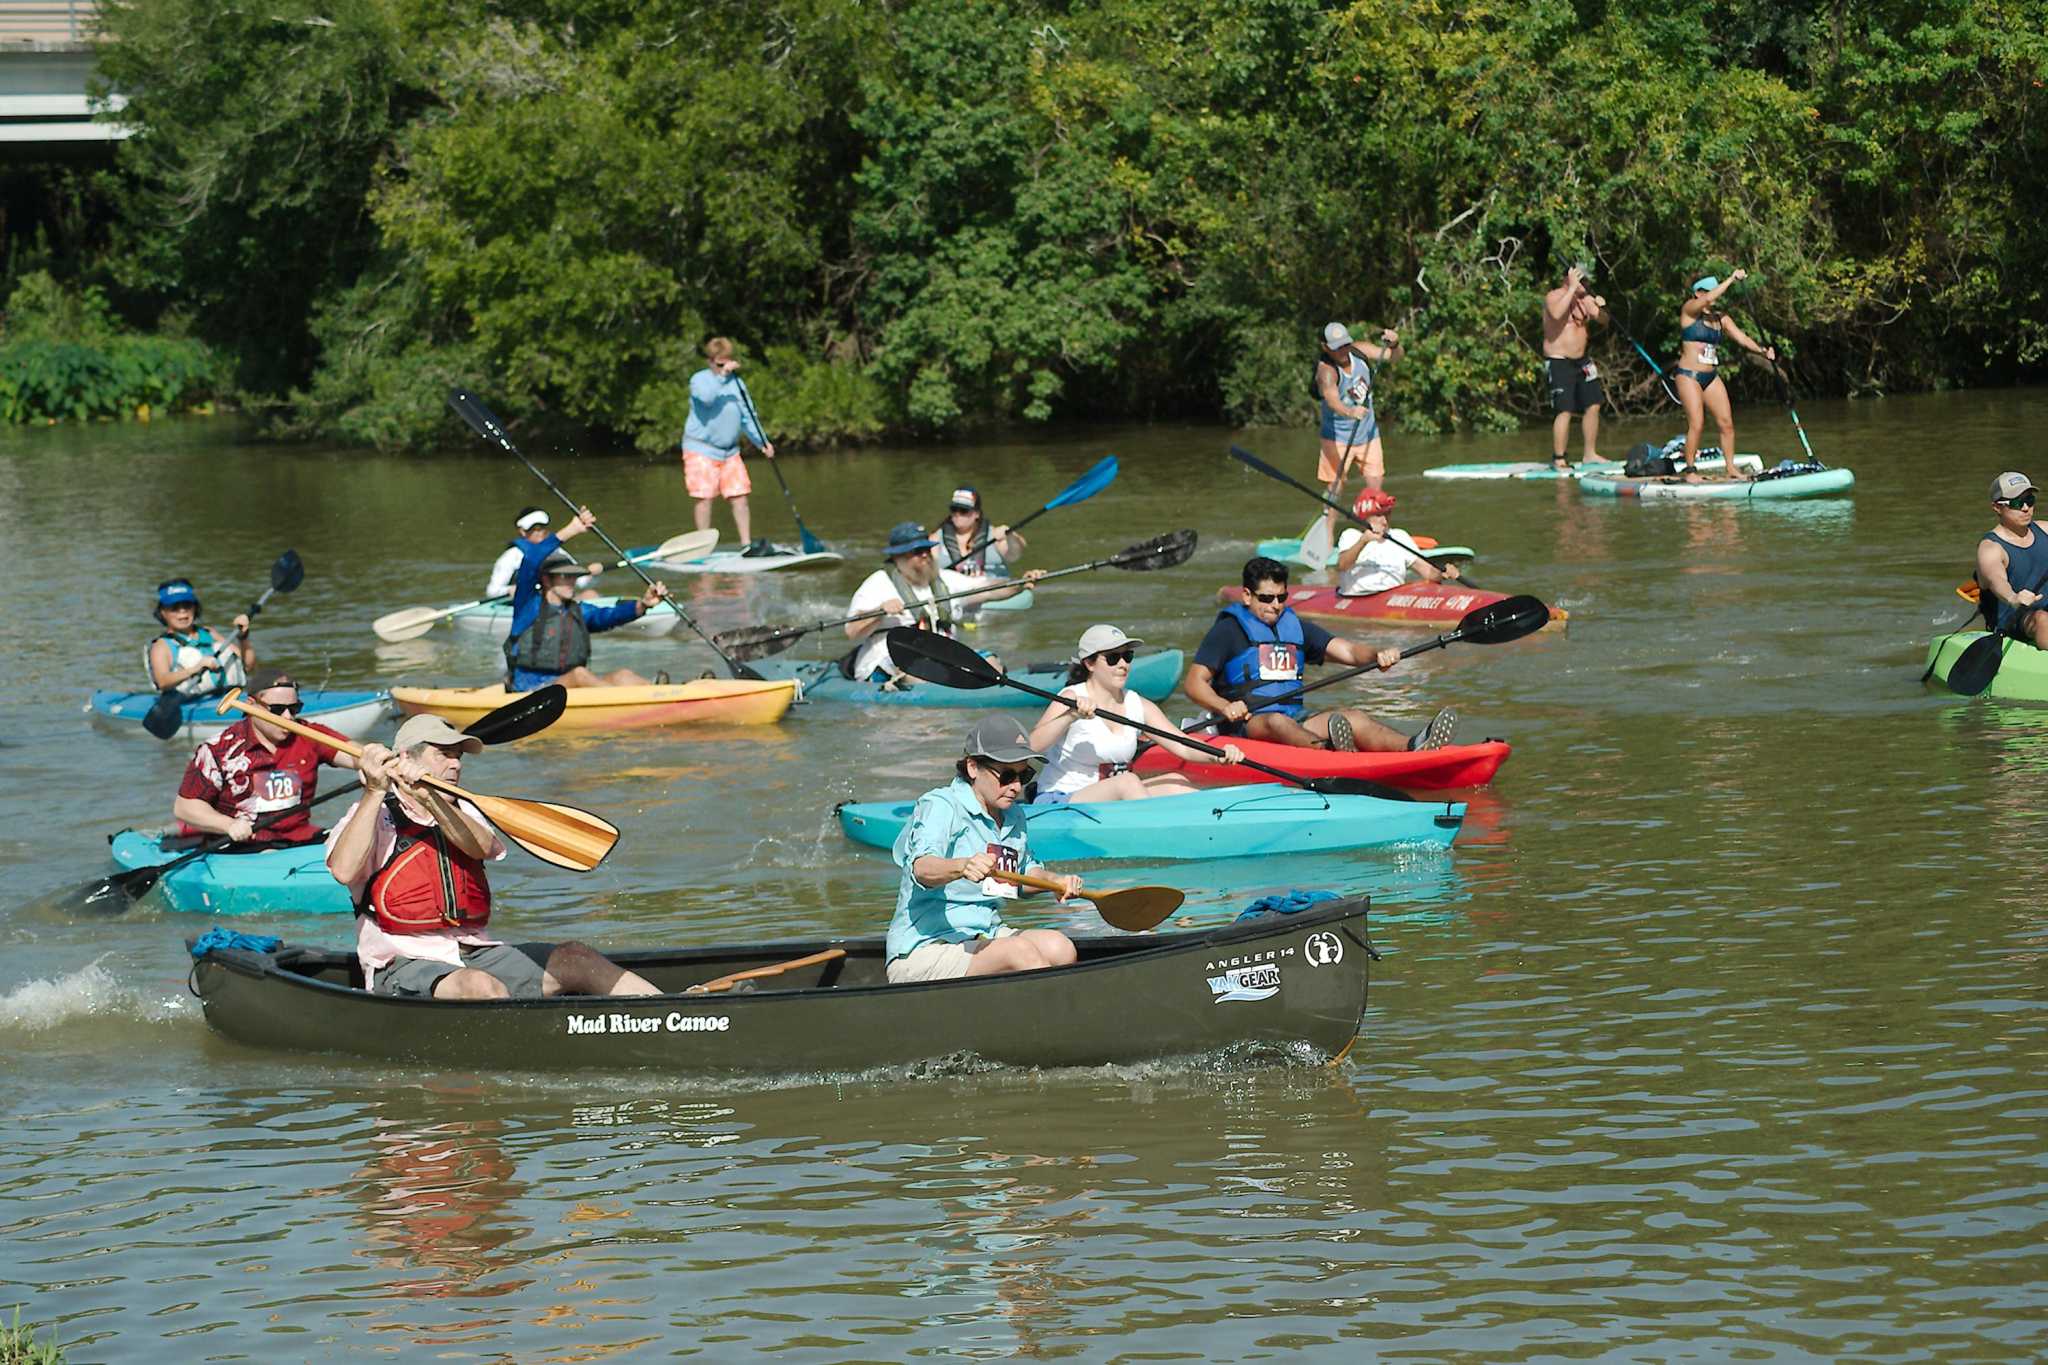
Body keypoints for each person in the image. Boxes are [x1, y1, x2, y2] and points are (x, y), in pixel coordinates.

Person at [326, 714, 661, 1000]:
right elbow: (343, 871)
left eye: (458, 755)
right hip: (402, 961)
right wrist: (373, 790)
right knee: (483, 987)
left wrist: (431, 801)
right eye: (443, 754)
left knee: (577, 957)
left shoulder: (464, 809)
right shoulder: (372, 815)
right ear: (406, 757)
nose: (455, 764)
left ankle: (671, 1010)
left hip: (475, 951)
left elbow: (478, 846)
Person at [887, 715, 1084, 983]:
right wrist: (961, 866)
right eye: (1006, 775)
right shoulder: (941, 805)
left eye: (1024, 775)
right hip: (924, 948)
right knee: (1021, 953)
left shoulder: (1014, 816)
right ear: (972, 767)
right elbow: (921, 868)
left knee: (1060, 947)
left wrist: (1056, 882)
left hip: (984, 935)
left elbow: (1022, 877)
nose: (1016, 786)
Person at [1190, 556, 1456, 753]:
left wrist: (1377, 655)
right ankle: (1331, 754)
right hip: (1247, 726)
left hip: (1295, 720)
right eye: (1267, 599)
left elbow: (1349, 651)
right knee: (1276, 721)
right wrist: (1225, 707)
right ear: (1247, 596)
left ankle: (1414, 747)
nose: (1276, 606)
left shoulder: (1295, 628)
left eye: (1282, 598)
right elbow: (1193, 683)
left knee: (1352, 717)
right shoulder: (1227, 631)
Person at [1027, 625, 1244, 803]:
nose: (1123, 665)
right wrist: (1070, 716)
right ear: (1089, 663)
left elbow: (1182, 745)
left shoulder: (1138, 704)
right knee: (1128, 782)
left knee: (1176, 782)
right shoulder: (1071, 696)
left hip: (1114, 798)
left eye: (1127, 656)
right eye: (1113, 658)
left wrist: (1218, 755)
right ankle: (1159, 834)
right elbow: (1031, 746)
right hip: (1061, 800)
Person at [172, 668, 357, 845]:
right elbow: (185, 807)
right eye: (277, 709)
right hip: (243, 845)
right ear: (251, 705)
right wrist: (228, 825)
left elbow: (354, 755)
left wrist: (373, 758)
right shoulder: (218, 749)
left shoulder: (309, 735)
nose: (288, 717)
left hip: (300, 839)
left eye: (294, 708)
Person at [843, 521, 1035, 682]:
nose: (925, 555)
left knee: (992, 664)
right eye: (917, 551)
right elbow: (851, 631)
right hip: (891, 661)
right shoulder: (879, 583)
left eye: (927, 549)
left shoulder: (946, 579)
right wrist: (881, 610)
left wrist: (1022, 582)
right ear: (897, 557)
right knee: (922, 675)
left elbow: (993, 590)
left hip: (942, 657)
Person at [504, 510, 672, 689]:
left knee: (623, 676)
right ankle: (632, 703)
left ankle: (666, 694)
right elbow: (531, 560)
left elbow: (609, 615)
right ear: (546, 579)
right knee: (579, 674)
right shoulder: (528, 606)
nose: (571, 581)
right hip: (530, 691)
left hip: (568, 689)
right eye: (564, 576)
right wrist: (571, 530)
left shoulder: (577, 611)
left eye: (573, 576)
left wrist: (643, 604)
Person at [1675, 271, 1775, 479]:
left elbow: (1741, 338)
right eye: (1709, 292)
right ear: (1698, 293)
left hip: (1710, 376)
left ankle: (1731, 468)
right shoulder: (1689, 311)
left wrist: (1762, 350)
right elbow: (1709, 298)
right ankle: (1690, 470)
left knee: (1726, 423)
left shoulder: (1721, 318)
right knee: (1697, 423)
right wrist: (1730, 279)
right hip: (1688, 376)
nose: (1714, 296)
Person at [681, 336, 776, 556]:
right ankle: (702, 546)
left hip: (730, 451)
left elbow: (748, 416)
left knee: (740, 497)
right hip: (700, 449)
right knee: (704, 498)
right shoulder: (700, 380)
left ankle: (746, 544)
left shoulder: (737, 384)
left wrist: (762, 442)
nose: (725, 367)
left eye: (727, 362)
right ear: (711, 361)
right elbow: (706, 399)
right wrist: (722, 376)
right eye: (719, 364)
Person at [1314, 320, 1403, 545]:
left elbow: (1395, 357)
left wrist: (1396, 344)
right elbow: (1332, 400)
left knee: (1375, 491)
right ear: (1326, 348)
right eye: (1336, 348)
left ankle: (1378, 534)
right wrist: (1350, 411)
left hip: (1368, 435)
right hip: (1337, 438)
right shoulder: (1326, 372)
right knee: (1335, 489)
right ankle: (1326, 538)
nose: (1342, 351)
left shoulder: (1360, 352)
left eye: (1345, 345)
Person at [1334, 490, 1462, 598]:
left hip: (1392, 598)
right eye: (1378, 515)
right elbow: (1342, 566)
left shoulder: (1399, 536)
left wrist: (1443, 572)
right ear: (1364, 517)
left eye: (1387, 514)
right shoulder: (1351, 535)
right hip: (1358, 598)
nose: (1384, 521)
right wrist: (1363, 541)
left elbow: (1427, 572)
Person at [1542, 264, 1608, 468]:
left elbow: (1605, 321)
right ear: (1569, 279)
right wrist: (1571, 288)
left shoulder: (1585, 300)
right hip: (1559, 360)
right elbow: (1555, 314)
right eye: (1582, 280)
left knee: (1594, 403)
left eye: (1587, 281)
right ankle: (1559, 458)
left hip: (1583, 361)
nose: (1586, 285)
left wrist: (1601, 308)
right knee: (1565, 409)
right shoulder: (1554, 297)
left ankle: (1590, 453)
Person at [146, 577, 253, 695]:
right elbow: (162, 682)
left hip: (232, 696)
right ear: (163, 612)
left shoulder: (210, 633)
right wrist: (196, 669)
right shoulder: (161, 645)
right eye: (174, 608)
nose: (182, 612)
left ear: (195, 607)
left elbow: (248, 666)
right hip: (191, 703)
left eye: (187, 605)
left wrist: (243, 638)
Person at [1976, 472, 2048, 647]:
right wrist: (2013, 598)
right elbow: (1997, 581)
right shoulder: (1990, 548)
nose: (2025, 508)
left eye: (2029, 500)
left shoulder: (2045, 529)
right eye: (2016, 503)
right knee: (2042, 619)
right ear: (1997, 507)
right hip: (2015, 620)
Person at [486, 507, 600, 599]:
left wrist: (590, 574)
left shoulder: (558, 551)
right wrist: (510, 590)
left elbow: (581, 582)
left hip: (554, 601)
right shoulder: (511, 557)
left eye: (543, 527)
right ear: (522, 531)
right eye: (535, 529)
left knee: (591, 595)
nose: (540, 532)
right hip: (525, 604)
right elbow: (492, 591)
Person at [935, 487, 1023, 579]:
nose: (957, 514)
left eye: (963, 511)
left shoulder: (994, 535)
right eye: (954, 509)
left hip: (995, 587)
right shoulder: (936, 538)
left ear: (977, 514)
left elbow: (1013, 556)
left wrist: (1010, 535)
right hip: (957, 589)